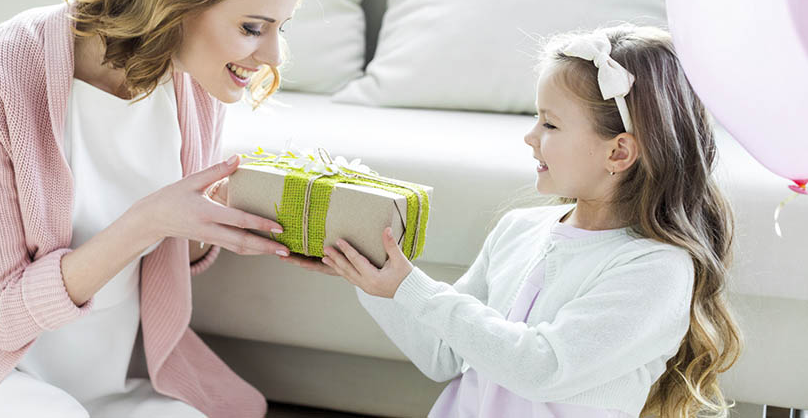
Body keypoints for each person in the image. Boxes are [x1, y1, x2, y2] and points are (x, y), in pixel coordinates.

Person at [0, 0, 335, 416]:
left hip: (119, 373)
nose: (271, 57)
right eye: (252, 27)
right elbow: (0, 314)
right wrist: (149, 220)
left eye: (279, 28)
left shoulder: (196, 77)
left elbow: (174, 256)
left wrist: (209, 220)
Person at [285, 26, 742, 417]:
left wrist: (412, 288)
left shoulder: (655, 269)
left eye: (551, 125)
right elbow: (444, 354)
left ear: (618, 152)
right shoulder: (520, 229)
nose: (530, 137)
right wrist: (373, 277)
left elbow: (542, 367)